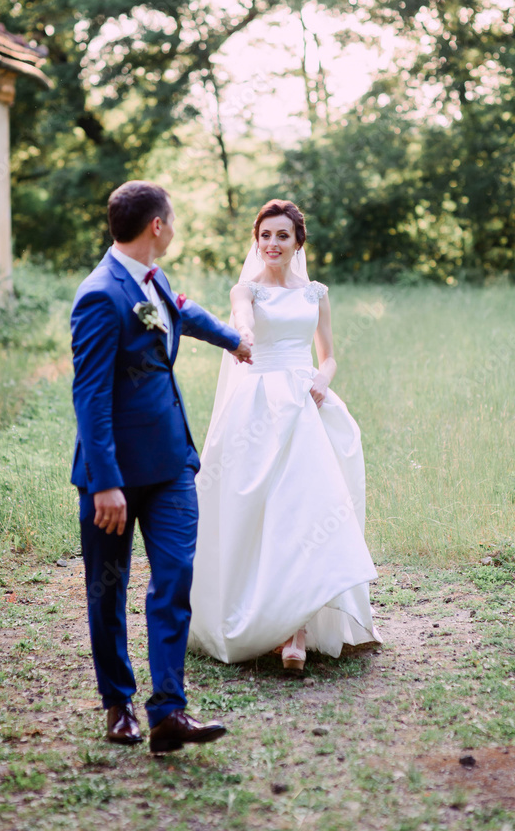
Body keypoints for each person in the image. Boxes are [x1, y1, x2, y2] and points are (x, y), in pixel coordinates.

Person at [70, 180, 252, 754]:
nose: (174, 229)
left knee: (174, 579)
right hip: (115, 478)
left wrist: (231, 339)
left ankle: (169, 711)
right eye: (172, 221)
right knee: (109, 588)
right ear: (157, 226)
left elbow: (177, 311)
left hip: (172, 464)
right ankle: (118, 704)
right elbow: (91, 396)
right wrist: (106, 483)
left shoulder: (153, 278)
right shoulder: (100, 295)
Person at [189, 199, 381, 670]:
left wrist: (323, 377)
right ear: (256, 241)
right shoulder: (246, 291)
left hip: (306, 403)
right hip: (257, 407)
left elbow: (329, 354)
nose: (272, 244)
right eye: (265, 236)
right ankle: (261, 617)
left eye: (282, 236)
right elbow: (243, 323)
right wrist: (245, 336)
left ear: (298, 243)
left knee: (309, 509)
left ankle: (297, 632)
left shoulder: (316, 292)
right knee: (260, 513)